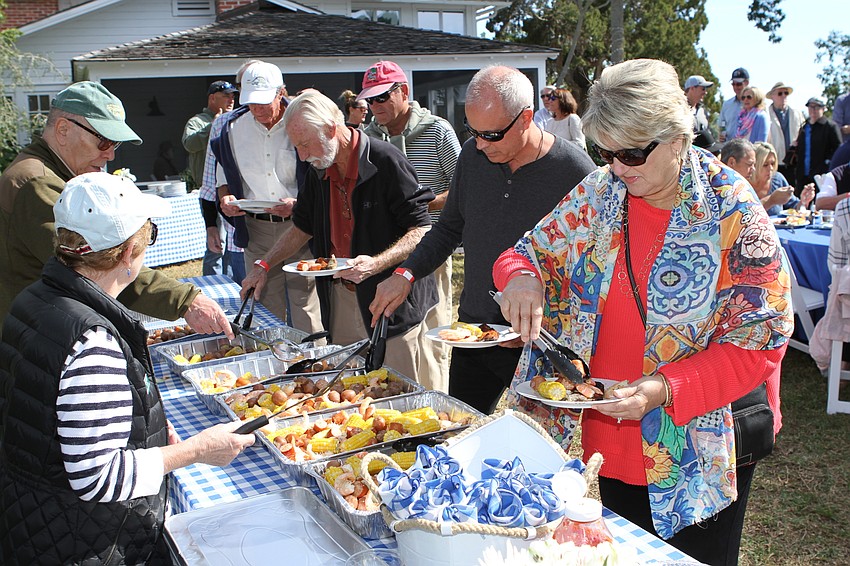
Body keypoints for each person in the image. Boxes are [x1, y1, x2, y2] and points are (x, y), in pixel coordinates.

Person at [492, 58, 792, 565]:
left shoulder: (732, 210)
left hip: (696, 438)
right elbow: (525, 253)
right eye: (606, 152)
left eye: (632, 151)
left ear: (677, 137)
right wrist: (521, 278)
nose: (618, 167)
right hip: (609, 430)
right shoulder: (603, 190)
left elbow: (762, 337)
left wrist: (663, 389)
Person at [0, 172, 255, 564]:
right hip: (82, 540)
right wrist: (196, 450)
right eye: (147, 236)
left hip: (36, 518)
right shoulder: (91, 340)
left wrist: (148, 431)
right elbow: (98, 476)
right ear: (125, 255)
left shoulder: (34, 297)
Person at [369, 65, 596, 414]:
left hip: (542, 340)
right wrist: (405, 274)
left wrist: (543, 315)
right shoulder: (473, 159)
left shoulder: (576, 172)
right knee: (459, 429)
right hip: (476, 329)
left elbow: (591, 269)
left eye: (489, 134)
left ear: (524, 119)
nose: (478, 143)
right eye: (471, 131)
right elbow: (448, 229)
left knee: (538, 444)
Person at [0, 81, 232, 337]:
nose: (110, 155)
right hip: (33, 334)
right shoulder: (37, 181)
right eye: (103, 141)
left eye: (115, 144)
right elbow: (97, 263)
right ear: (63, 129)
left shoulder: (47, 172)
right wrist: (185, 301)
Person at [241, 89, 438, 381]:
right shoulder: (318, 170)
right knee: (351, 385)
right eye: (296, 147)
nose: (303, 156)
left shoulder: (385, 161)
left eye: (306, 145)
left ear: (332, 129)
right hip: (342, 297)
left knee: (402, 387)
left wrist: (376, 263)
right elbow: (301, 227)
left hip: (391, 296)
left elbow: (421, 229)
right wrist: (263, 265)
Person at [358, 60, 461, 392]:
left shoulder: (437, 130)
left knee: (434, 334)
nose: (375, 107)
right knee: (393, 337)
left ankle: (439, 404)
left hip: (432, 246)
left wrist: (417, 204)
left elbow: (463, 189)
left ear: (404, 92)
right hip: (386, 252)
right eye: (370, 101)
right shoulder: (367, 137)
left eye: (382, 97)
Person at [213, 61, 322, 332]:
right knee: (263, 302)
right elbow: (222, 178)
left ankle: (312, 365)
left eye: (263, 101)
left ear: (281, 92)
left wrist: (299, 205)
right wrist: (226, 199)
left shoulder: (301, 123)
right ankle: (273, 365)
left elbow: (323, 173)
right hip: (257, 229)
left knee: (305, 303)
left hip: (301, 228)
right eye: (250, 102)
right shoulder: (231, 129)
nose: (257, 109)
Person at [184, 80, 239, 279]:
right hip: (209, 191)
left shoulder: (236, 120)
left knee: (233, 241)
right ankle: (212, 282)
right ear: (212, 98)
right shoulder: (197, 121)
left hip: (230, 191)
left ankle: (231, 280)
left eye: (233, 96)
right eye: (226, 96)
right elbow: (189, 143)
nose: (231, 100)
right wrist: (213, 125)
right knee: (216, 241)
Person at [794, 97, 842, 195]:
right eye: (810, 107)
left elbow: (838, 150)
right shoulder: (805, 126)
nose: (813, 110)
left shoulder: (830, 126)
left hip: (821, 174)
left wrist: (826, 164)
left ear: (823, 108)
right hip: (803, 174)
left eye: (817, 107)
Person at [750, 141, 814, 215]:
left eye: (773, 163)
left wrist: (803, 201)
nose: (770, 168)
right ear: (754, 165)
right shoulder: (743, 184)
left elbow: (794, 207)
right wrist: (771, 200)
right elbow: (745, 214)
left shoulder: (777, 179)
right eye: (765, 164)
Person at [765, 81, 805, 187]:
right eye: (780, 93)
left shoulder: (797, 113)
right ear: (772, 96)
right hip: (774, 163)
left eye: (785, 93)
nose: (783, 96)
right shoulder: (765, 115)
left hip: (794, 163)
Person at [684, 75, 715, 150]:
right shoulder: (679, 109)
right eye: (703, 89)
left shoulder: (703, 111)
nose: (705, 92)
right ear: (692, 88)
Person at [719, 67, 749, 142]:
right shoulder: (727, 104)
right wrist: (720, 136)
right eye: (733, 84)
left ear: (747, 83)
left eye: (738, 84)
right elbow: (721, 126)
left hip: (748, 148)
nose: (735, 87)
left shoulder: (754, 104)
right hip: (729, 148)